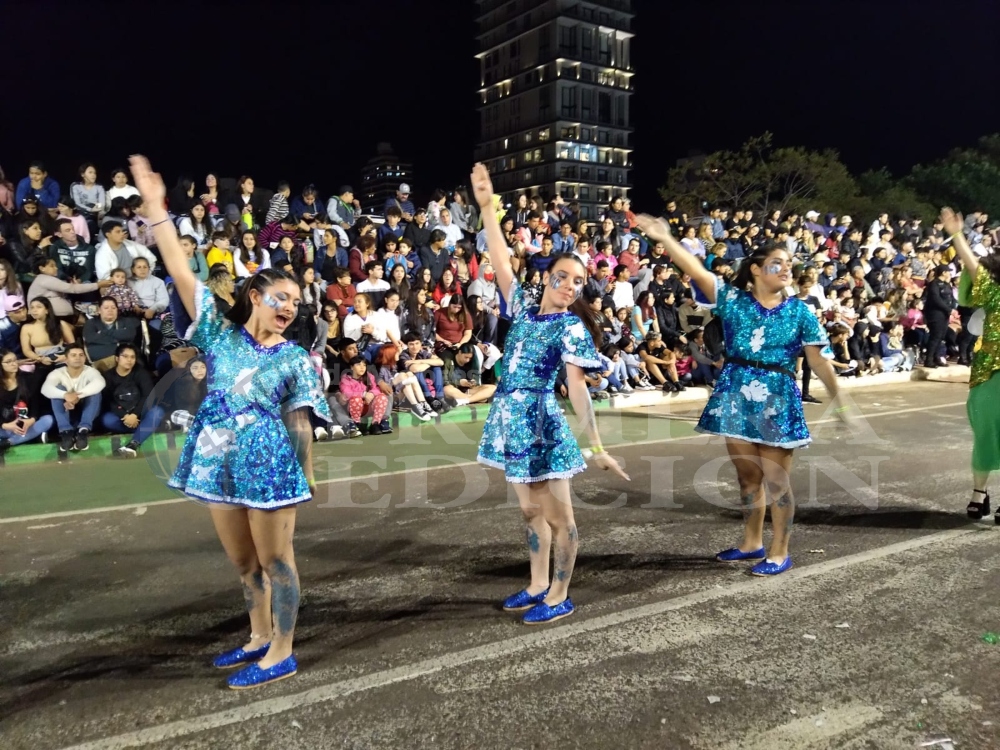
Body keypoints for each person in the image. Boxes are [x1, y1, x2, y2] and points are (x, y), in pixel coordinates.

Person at [129, 155, 332, 690]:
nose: (289, 306)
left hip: (269, 464)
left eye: (295, 300)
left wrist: (307, 473)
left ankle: (282, 651)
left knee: (277, 562)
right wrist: (156, 210)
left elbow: (301, 422)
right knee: (246, 565)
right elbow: (177, 262)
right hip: (218, 457)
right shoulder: (218, 331)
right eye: (279, 297)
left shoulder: (293, 357)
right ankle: (258, 636)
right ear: (253, 296)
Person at [635, 213, 849, 576]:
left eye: (789, 264)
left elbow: (818, 361)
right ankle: (752, 543)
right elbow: (696, 270)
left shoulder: (800, 311)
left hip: (777, 397)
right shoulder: (732, 300)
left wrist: (840, 399)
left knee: (777, 481)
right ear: (755, 269)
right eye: (776, 263)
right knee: (748, 478)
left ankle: (780, 551)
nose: (786, 269)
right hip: (735, 393)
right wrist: (666, 238)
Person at [471, 163, 628, 625]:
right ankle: (537, 583)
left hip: (542, 423)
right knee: (528, 513)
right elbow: (500, 260)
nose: (569, 286)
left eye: (578, 282)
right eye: (562, 277)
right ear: (546, 277)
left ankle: (560, 593)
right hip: (509, 420)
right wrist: (487, 208)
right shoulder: (520, 307)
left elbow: (577, 389)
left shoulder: (570, 327)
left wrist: (596, 445)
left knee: (561, 519)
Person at [941, 208, 1000, 521]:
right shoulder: (994, 291)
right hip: (990, 372)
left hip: (988, 371)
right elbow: (971, 263)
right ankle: (980, 492)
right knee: (986, 433)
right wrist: (956, 235)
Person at [41, 342, 106, 458]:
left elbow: (100, 383)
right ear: (66, 359)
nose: (78, 358)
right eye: (74, 355)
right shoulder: (57, 373)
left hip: (88, 414)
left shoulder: (91, 372)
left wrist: (76, 397)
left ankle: (83, 431)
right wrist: (65, 395)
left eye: (81, 355)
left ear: (85, 358)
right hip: (67, 413)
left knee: (95, 392)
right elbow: (45, 389)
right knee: (57, 390)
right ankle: (66, 432)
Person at [100, 343, 165, 459]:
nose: (129, 360)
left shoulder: (141, 373)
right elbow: (109, 401)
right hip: (122, 416)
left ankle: (133, 445)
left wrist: (135, 415)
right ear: (117, 358)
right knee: (107, 420)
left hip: (140, 415)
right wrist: (125, 416)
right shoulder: (108, 376)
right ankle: (144, 429)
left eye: (132, 357)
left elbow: (148, 396)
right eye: (125, 356)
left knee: (157, 412)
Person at [0, 348, 54, 451]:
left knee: (48, 420)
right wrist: (5, 425)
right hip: (4, 426)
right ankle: (31, 438)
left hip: (25, 425)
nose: (14, 364)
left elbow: (35, 404)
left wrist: (31, 420)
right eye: (8, 362)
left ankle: (8, 442)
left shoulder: (28, 378)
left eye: (15, 360)